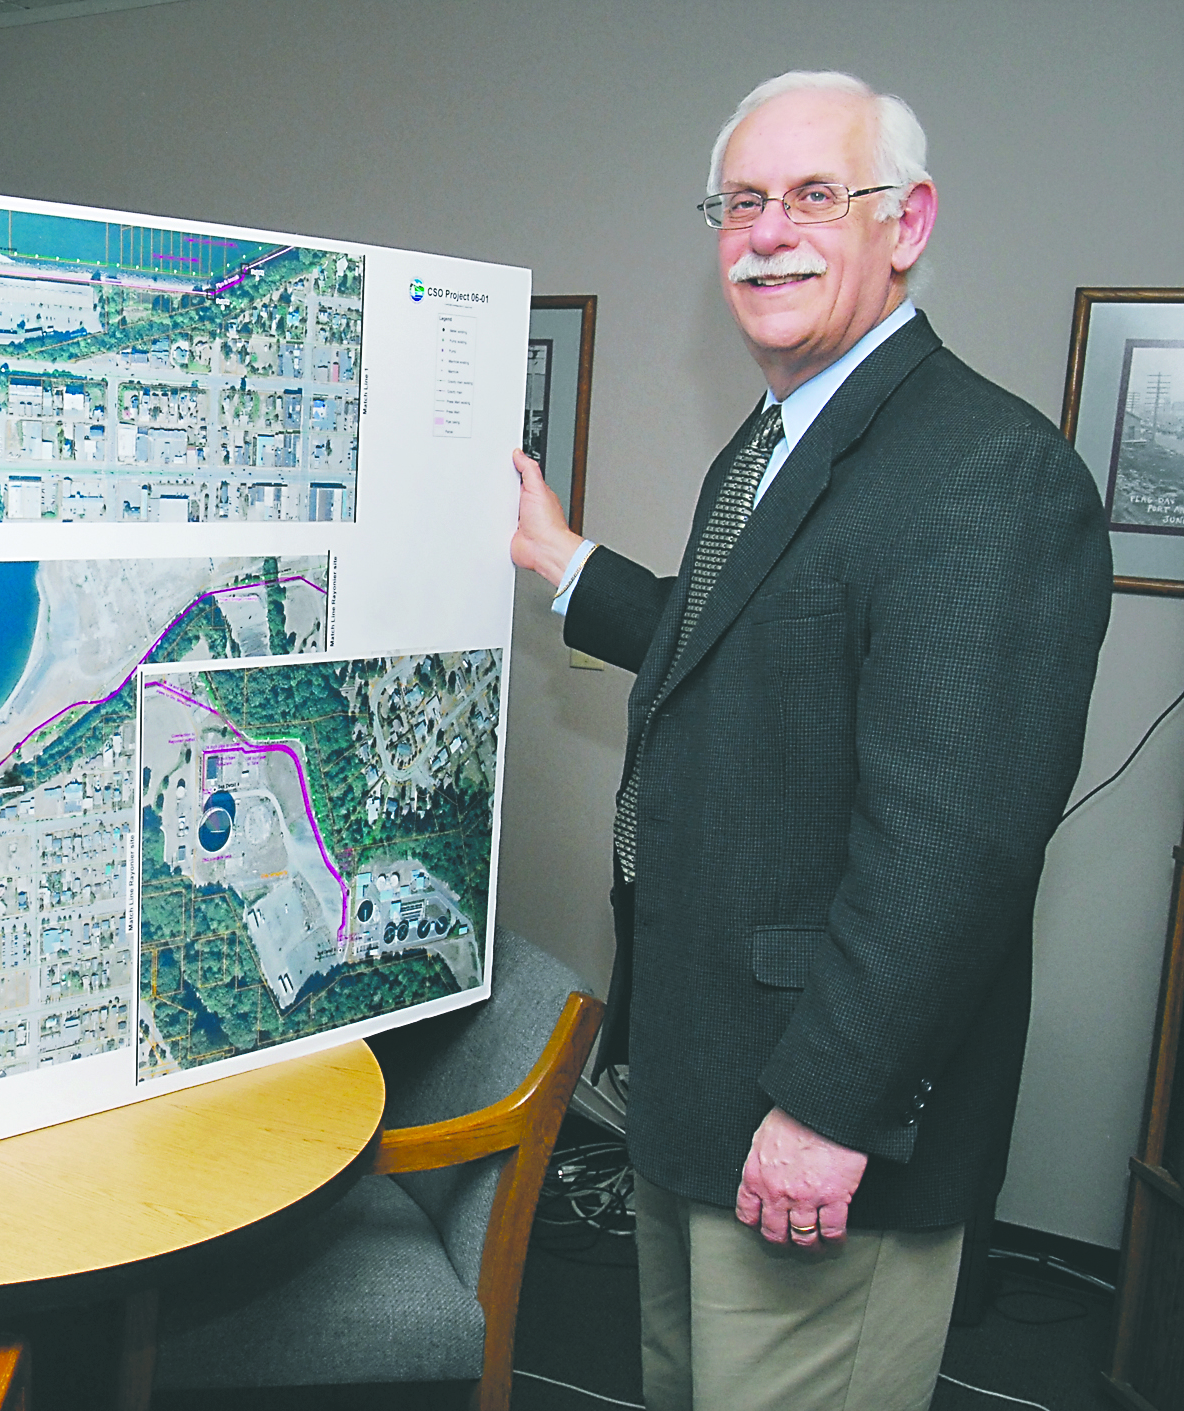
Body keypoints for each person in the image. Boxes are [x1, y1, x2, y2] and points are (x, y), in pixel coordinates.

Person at [509, 71, 1112, 1410]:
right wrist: (559, 560)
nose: (764, 231)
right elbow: (753, 659)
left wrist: (829, 1106)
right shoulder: (777, 438)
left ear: (905, 223)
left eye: (809, 196)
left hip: (812, 1118)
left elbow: (952, 841)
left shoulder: (985, 472)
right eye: (737, 201)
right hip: (698, 1086)